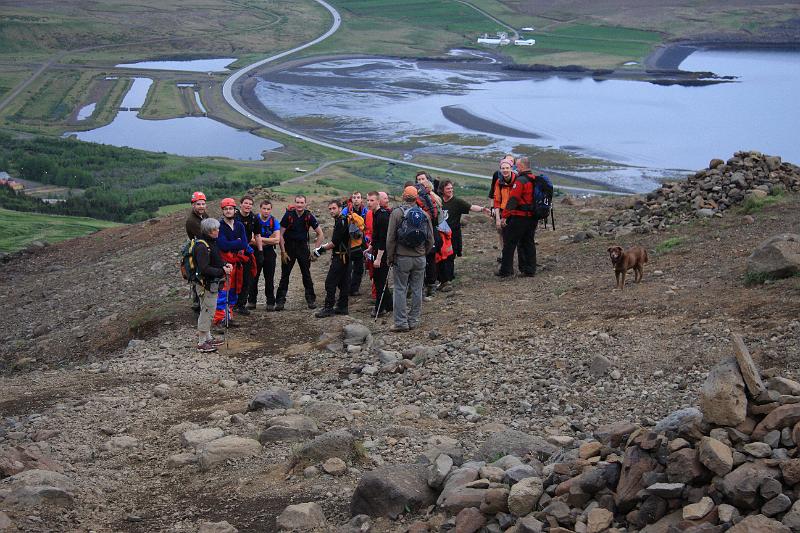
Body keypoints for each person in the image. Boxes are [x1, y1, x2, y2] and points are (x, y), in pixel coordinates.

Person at [386, 185, 434, 332]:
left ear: (403, 196)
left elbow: (390, 239)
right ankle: (413, 320)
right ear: (416, 198)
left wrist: (390, 257)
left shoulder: (396, 213)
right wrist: (423, 253)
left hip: (402, 258)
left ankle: (401, 323)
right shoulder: (424, 215)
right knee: (417, 289)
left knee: (400, 289)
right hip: (420, 258)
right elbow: (430, 239)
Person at [438, 180, 490, 291]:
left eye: (451, 188)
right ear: (442, 190)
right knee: (440, 258)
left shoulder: (457, 202)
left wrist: (482, 209)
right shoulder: (438, 201)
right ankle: (442, 280)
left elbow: (471, 207)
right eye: (448, 189)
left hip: (453, 235)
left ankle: (448, 281)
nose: (451, 190)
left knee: (450, 257)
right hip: (440, 235)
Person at [276, 195, 324, 311]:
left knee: (306, 274)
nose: (299, 205)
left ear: (305, 204)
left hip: (303, 247)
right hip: (289, 247)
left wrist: (315, 251)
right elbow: (280, 235)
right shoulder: (288, 215)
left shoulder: (308, 216)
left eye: (302, 202)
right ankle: (280, 302)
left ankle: (311, 300)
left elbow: (320, 234)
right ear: (295, 203)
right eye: (297, 202)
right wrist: (283, 252)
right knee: (285, 275)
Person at [193, 218, 232, 352]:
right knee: (207, 311)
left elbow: (216, 260)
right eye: (215, 229)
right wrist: (222, 270)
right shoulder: (202, 247)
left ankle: (208, 338)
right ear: (208, 231)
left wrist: (224, 264)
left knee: (209, 310)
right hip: (206, 285)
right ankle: (201, 343)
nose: (218, 231)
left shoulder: (210, 243)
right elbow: (204, 269)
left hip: (210, 284)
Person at [216, 197, 254, 324]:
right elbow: (222, 245)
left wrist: (233, 243)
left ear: (234, 210)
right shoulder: (219, 226)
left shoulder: (239, 225)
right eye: (225, 209)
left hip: (236, 264)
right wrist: (236, 242)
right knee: (223, 292)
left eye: (230, 209)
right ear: (223, 211)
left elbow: (243, 244)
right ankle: (220, 319)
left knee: (233, 291)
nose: (228, 211)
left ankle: (229, 317)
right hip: (225, 264)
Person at [497, 157, 536, 278]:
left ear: (522, 166)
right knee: (528, 242)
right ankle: (529, 269)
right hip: (533, 217)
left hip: (520, 217)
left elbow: (513, 199)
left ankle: (506, 271)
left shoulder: (520, 181)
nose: (516, 168)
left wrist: (504, 216)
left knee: (509, 242)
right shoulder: (535, 179)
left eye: (517, 166)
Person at [314, 199, 351, 317]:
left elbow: (334, 242)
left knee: (330, 282)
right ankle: (342, 307)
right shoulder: (344, 220)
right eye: (330, 209)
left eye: (334, 208)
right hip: (347, 256)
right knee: (343, 282)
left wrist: (320, 249)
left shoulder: (341, 221)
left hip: (340, 257)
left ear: (340, 208)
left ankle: (328, 308)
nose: (331, 211)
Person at [249, 200, 280, 311]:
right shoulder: (254, 219)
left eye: (268, 209)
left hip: (269, 252)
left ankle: (270, 302)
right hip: (255, 251)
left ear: (271, 210)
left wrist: (259, 239)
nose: (266, 211)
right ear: (260, 208)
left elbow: (277, 240)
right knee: (253, 277)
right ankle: (251, 301)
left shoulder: (274, 221)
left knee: (269, 278)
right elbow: (251, 240)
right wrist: (268, 239)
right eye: (264, 209)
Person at [368, 191, 392, 317]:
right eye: (368, 200)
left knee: (380, 281)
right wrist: (371, 247)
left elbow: (383, 239)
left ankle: (380, 308)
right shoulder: (375, 214)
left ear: (378, 201)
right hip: (377, 250)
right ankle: (389, 305)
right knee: (379, 280)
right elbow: (376, 235)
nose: (369, 203)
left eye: (372, 200)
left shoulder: (382, 216)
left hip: (383, 254)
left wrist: (378, 259)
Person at [234, 195, 259, 315]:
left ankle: (241, 304)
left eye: (250, 204)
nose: (248, 205)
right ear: (241, 204)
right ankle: (231, 304)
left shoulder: (254, 218)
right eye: (246, 203)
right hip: (232, 251)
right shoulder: (233, 216)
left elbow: (257, 235)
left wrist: (259, 252)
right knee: (234, 278)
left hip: (247, 250)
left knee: (247, 278)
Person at [341, 191, 368, 296]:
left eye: (358, 197)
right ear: (351, 199)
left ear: (361, 199)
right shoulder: (345, 211)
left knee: (359, 267)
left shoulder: (365, 211)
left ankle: (354, 288)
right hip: (348, 242)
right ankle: (346, 287)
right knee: (347, 267)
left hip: (361, 241)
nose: (356, 199)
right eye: (354, 197)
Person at [185, 191, 209, 314]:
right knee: (199, 277)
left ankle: (201, 304)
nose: (201, 206)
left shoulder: (204, 216)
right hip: (199, 250)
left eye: (203, 204)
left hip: (203, 249)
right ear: (193, 205)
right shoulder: (192, 221)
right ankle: (198, 304)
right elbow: (204, 235)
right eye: (198, 204)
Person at [489, 157, 515, 260]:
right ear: (500, 169)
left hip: (515, 213)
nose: (505, 170)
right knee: (502, 233)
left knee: (513, 235)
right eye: (503, 168)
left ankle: (511, 256)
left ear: (511, 168)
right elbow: (497, 200)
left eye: (507, 168)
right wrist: (498, 219)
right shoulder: (498, 182)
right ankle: (504, 254)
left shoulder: (518, 181)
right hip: (503, 211)